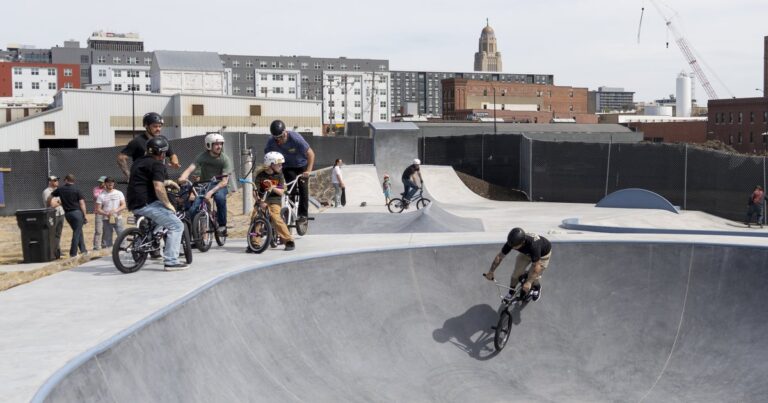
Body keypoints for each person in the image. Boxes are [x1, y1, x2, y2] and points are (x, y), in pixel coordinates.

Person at [126, 136, 187, 270]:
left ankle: (151, 234)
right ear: (162, 153)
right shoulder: (157, 164)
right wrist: (168, 204)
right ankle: (171, 261)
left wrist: (170, 182)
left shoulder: (138, 162)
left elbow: (147, 181)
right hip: (146, 204)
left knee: (163, 213)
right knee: (176, 225)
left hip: (133, 203)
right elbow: (158, 187)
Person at [178, 132, 233, 236]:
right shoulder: (202, 156)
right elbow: (190, 169)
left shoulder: (225, 159)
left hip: (220, 184)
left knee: (220, 198)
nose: (219, 146)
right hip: (205, 184)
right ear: (209, 145)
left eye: (221, 144)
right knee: (194, 207)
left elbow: (224, 181)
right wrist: (182, 178)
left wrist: (211, 192)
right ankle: (191, 233)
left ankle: (222, 225)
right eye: (216, 144)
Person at [484, 227, 552, 302]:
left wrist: (529, 282)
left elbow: (537, 266)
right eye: (511, 246)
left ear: (522, 242)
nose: (512, 247)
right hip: (526, 254)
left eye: (515, 246)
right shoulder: (512, 242)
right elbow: (499, 256)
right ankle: (511, 291)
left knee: (533, 277)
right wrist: (491, 272)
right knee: (516, 274)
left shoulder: (534, 246)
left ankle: (537, 287)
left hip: (542, 256)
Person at [265, 119, 315, 222]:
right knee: (290, 188)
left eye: (281, 137)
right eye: (276, 138)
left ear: (285, 132)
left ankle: (303, 215)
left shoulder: (295, 138)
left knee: (302, 187)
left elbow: (311, 154)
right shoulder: (271, 142)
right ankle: (290, 211)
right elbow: (267, 157)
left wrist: (308, 171)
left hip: (301, 166)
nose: (279, 141)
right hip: (287, 166)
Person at [251, 151, 295, 251]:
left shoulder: (279, 175)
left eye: (281, 164)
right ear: (271, 164)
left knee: (275, 217)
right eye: (279, 164)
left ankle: (288, 240)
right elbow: (255, 191)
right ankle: (254, 242)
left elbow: (281, 192)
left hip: (274, 200)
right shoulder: (260, 176)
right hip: (262, 200)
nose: (281, 166)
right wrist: (259, 201)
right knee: (255, 217)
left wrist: (273, 187)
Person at [117, 112, 180, 178]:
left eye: (160, 126)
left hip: (161, 177)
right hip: (144, 180)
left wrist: (174, 161)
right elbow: (121, 158)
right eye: (155, 126)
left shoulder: (163, 140)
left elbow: (172, 155)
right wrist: (128, 175)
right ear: (146, 126)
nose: (158, 129)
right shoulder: (137, 141)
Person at [47, 174, 88, 258]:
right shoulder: (77, 190)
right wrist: (85, 215)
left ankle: (83, 250)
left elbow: (49, 197)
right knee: (77, 232)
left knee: (78, 231)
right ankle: (73, 253)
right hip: (77, 213)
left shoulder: (60, 189)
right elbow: (82, 203)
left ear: (66, 180)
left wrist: (49, 205)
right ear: (74, 181)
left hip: (67, 214)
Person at [95, 177, 126, 248]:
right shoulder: (101, 195)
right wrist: (107, 214)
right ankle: (110, 252)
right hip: (106, 219)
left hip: (118, 218)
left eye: (112, 182)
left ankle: (123, 249)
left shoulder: (119, 193)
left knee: (121, 234)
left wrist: (116, 210)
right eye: (109, 182)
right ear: (105, 183)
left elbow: (124, 205)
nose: (110, 183)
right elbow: (98, 209)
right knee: (108, 237)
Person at [42, 175, 65, 259]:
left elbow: (59, 201)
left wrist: (58, 201)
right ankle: (52, 252)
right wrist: (60, 201)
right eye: (55, 180)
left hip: (61, 213)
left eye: (57, 180)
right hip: (52, 215)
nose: (57, 181)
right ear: (50, 182)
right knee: (52, 234)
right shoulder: (46, 192)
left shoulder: (58, 190)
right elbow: (52, 204)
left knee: (58, 234)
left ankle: (58, 251)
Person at [92, 176, 107, 250]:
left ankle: (104, 245)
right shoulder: (96, 189)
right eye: (100, 182)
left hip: (107, 212)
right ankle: (96, 246)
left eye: (102, 182)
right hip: (99, 212)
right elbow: (97, 196)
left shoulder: (109, 190)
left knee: (106, 229)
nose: (100, 183)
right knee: (98, 230)